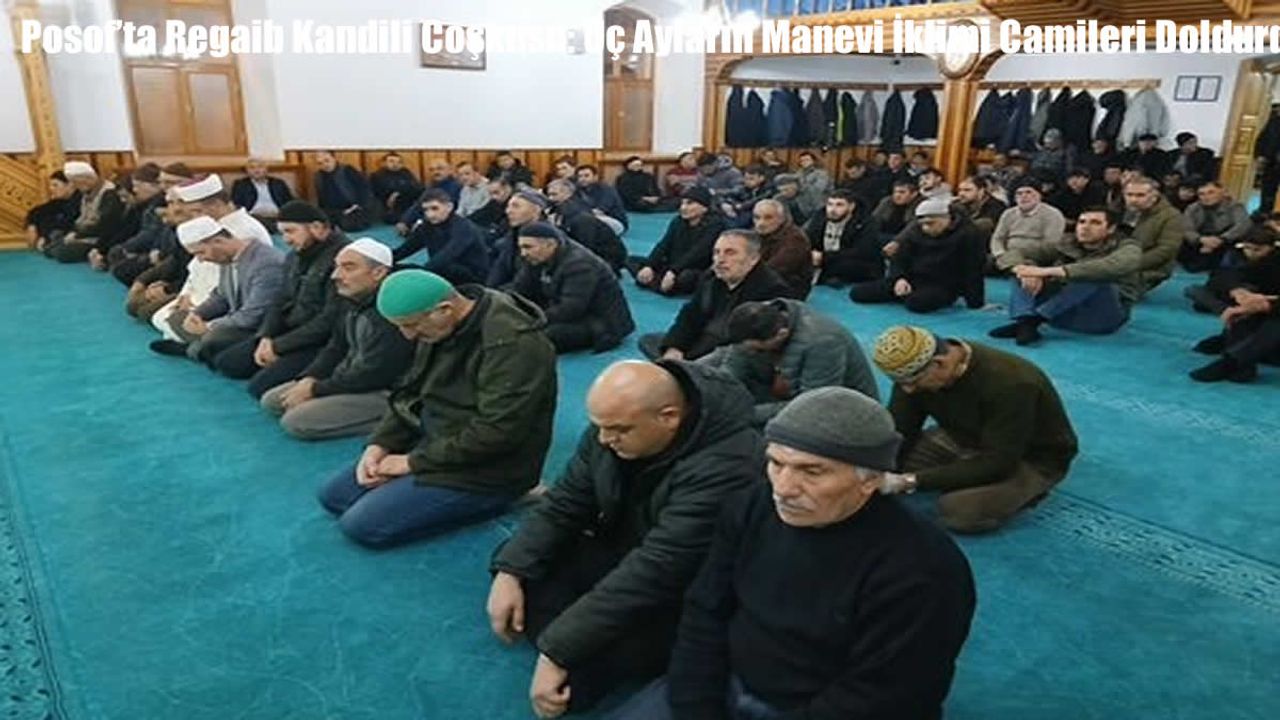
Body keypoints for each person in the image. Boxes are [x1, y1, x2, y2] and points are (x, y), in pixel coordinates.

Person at [608, 387, 976, 720]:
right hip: (728, 683)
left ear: (870, 480)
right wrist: (697, 707)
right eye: (776, 463)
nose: (783, 488)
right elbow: (705, 609)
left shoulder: (924, 571)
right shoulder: (752, 506)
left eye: (811, 471)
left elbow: (883, 696)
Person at [487, 359, 762, 717]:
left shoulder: (730, 465)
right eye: (599, 426)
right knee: (517, 560)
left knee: (577, 685)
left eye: (618, 429)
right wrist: (511, 571)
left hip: (687, 586)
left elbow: (656, 570)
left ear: (669, 417)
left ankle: (581, 646)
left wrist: (557, 650)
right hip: (628, 548)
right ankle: (580, 641)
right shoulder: (612, 431)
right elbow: (565, 503)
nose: (603, 439)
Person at [316, 270, 557, 547]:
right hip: (441, 441)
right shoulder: (441, 326)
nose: (408, 336)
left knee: (361, 526)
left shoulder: (514, 345)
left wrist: (411, 463)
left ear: (444, 309)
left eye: (411, 325)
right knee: (334, 497)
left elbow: (499, 433)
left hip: (492, 467)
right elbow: (411, 391)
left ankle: (511, 496)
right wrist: (380, 444)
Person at [872, 325, 1079, 533]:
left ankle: (1030, 488)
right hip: (961, 436)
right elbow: (900, 430)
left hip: (1029, 456)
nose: (908, 390)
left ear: (939, 363)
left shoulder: (1011, 383)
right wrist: (878, 468)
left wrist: (910, 481)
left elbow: (998, 462)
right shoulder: (914, 372)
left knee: (960, 511)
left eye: (913, 382)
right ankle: (966, 473)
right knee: (872, 469)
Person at [260, 239, 414, 440]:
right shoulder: (352, 299)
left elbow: (376, 374)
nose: (336, 276)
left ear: (378, 273)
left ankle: (400, 419)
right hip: (350, 378)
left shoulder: (390, 312)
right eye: (336, 267)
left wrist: (316, 389)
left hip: (385, 389)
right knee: (272, 401)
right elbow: (336, 346)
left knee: (295, 421)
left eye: (348, 268)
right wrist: (310, 378)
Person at [210, 200, 348, 397]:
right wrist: (266, 336)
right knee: (227, 362)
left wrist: (280, 346)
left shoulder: (343, 260)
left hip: (321, 341)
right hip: (291, 330)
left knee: (259, 387)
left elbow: (329, 320)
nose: (286, 239)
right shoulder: (295, 256)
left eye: (290, 231)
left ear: (317, 227)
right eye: (282, 233)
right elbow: (280, 300)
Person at [701, 299, 879, 425]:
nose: (750, 353)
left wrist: (744, 415)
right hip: (781, 390)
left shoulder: (823, 342)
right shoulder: (757, 319)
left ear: (781, 335)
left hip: (837, 411)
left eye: (757, 350)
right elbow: (732, 367)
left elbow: (813, 406)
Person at [989, 207, 1142, 345]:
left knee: (1094, 276)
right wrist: (1023, 270)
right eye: (1082, 222)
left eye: (1095, 223)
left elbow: (1115, 266)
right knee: (1023, 270)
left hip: (1103, 318)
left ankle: (1031, 323)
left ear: (1111, 228)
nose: (1085, 227)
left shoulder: (1128, 247)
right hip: (1059, 314)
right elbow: (1015, 253)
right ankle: (1025, 321)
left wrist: (1047, 271)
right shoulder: (1066, 242)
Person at [149, 215, 286, 365]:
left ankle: (194, 349)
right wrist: (198, 313)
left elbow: (253, 315)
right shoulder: (229, 258)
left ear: (218, 241)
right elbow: (221, 295)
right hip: (238, 320)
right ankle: (202, 346)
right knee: (178, 318)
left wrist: (209, 327)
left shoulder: (266, 263)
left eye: (200, 253)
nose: (200, 260)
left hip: (262, 328)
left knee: (223, 352)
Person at [638, 230, 792, 361]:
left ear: (753, 259)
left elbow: (749, 344)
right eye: (716, 252)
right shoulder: (711, 278)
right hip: (702, 340)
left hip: (731, 356)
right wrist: (675, 348)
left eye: (730, 253)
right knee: (649, 340)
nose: (720, 260)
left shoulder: (772, 290)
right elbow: (690, 316)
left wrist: (695, 363)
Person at [511, 222, 635, 354]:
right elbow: (520, 289)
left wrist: (532, 320)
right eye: (521, 247)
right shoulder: (536, 257)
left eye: (528, 247)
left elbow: (571, 308)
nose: (523, 253)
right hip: (566, 309)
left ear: (550, 244)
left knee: (535, 338)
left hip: (600, 321)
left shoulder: (580, 264)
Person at [850, 198, 986, 313]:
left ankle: (908, 296)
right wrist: (899, 279)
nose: (925, 228)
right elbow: (899, 258)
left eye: (930, 223)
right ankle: (904, 293)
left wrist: (975, 303)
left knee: (917, 303)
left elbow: (973, 268)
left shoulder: (969, 233)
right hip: (912, 278)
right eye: (922, 224)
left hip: (944, 284)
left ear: (946, 218)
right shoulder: (915, 231)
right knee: (857, 293)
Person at [1188, 230, 1280, 382]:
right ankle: (1240, 356)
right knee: (1243, 305)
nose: (1251, 253)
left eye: (1257, 249)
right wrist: (1238, 292)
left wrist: (1266, 304)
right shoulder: (1265, 261)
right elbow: (1222, 276)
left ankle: (1233, 360)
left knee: (1272, 319)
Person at [631, 186, 726, 297]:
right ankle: (663, 285)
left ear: (704, 207)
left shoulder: (715, 225)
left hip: (694, 268)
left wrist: (673, 271)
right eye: (682, 203)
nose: (683, 208)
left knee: (686, 277)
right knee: (631, 261)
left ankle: (657, 284)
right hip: (670, 265)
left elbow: (698, 253)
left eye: (689, 203)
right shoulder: (678, 221)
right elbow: (664, 244)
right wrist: (650, 266)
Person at [395, 189, 491, 285]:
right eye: (425, 210)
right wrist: (388, 262)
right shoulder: (426, 226)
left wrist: (421, 275)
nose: (430, 215)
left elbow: (446, 256)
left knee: (443, 268)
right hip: (441, 269)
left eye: (435, 208)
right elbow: (405, 249)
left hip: (471, 277)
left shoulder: (464, 228)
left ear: (449, 207)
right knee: (398, 269)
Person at [41, 161, 125, 263]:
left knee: (61, 252)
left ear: (88, 178)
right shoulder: (86, 192)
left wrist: (78, 235)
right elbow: (80, 218)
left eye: (77, 182)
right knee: (49, 247)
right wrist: (72, 232)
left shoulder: (109, 193)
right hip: (83, 234)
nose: (76, 186)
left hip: (98, 237)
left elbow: (104, 224)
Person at [1185, 226, 1280, 315]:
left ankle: (1232, 310)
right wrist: (1234, 289)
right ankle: (1229, 310)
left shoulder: (1275, 259)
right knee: (1193, 289)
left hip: (1260, 294)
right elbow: (1219, 275)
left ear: (1271, 247)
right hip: (1234, 292)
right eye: (1247, 248)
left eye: (1257, 250)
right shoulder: (1235, 253)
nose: (1250, 253)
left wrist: (1251, 295)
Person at [804, 188, 884, 287]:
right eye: (830, 204)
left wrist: (824, 257)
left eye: (839, 205)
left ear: (851, 207)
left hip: (856, 262)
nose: (832, 210)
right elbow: (807, 238)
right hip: (824, 259)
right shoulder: (819, 217)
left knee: (847, 265)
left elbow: (862, 252)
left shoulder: (865, 222)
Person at [545, 179, 627, 273]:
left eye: (554, 194)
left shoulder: (578, 213)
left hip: (606, 258)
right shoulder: (561, 208)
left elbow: (585, 244)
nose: (550, 198)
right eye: (549, 195)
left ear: (568, 193)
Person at [989, 178, 1067, 274]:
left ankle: (1016, 268)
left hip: (1038, 256)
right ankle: (1021, 270)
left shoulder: (1053, 214)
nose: (1023, 196)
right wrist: (1000, 254)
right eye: (1019, 193)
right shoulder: (1008, 213)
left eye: (1028, 192)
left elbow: (1051, 245)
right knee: (981, 260)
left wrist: (1020, 252)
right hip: (1007, 255)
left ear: (1039, 195)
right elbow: (997, 238)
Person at [102, 165, 167, 278]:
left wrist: (126, 248)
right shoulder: (148, 205)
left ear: (153, 185)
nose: (135, 190)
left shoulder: (159, 205)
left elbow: (151, 233)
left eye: (137, 185)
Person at [1123, 176, 1185, 293]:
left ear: (1154, 196)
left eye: (1140, 195)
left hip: (1148, 270)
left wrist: (1128, 264)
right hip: (1118, 262)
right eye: (1129, 195)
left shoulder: (1171, 216)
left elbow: (1166, 250)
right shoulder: (1120, 210)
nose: (1133, 199)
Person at [1178, 181, 1250, 274]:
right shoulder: (1193, 208)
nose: (1206, 197)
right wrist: (1200, 239)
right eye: (1201, 194)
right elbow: (1186, 228)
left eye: (1211, 192)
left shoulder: (1235, 206)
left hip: (1225, 239)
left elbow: (1243, 225)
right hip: (1200, 240)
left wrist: (1221, 239)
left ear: (1222, 192)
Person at [751, 199, 813, 300]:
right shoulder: (757, 233)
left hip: (788, 288)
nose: (761, 223)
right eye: (757, 217)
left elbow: (774, 269)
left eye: (768, 218)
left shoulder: (795, 239)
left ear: (781, 219)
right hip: (764, 281)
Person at [488, 189, 549, 288]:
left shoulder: (546, 240)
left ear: (536, 210)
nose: (508, 211)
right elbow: (499, 271)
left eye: (516, 206)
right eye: (508, 206)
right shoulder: (512, 235)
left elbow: (526, 282)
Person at [230, 157, 294, 233]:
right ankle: (276, 229)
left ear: (266, 169)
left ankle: (274, 228)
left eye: (260, 167)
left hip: (277, 216)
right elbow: (236, 204)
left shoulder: (278, 183)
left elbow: (290, 201)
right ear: (247, 171)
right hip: (254, 218)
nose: (256, 170)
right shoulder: (241, 185)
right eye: (252, 168)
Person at [314, 151, 373, 232]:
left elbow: (364, 190)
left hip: (354, 208)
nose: (325, 165)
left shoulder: (347, 170)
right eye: (320, 163)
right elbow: (321, 200)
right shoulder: (318, 176)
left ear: (334, 159)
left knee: (349, 225)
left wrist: (358, 206)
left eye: (327, 160)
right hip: (335, 211)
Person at [24, 171, 79, 251]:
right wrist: (32, 224)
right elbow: (36, 212)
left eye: (55, 185)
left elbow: (67, 223)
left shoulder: (81, 200)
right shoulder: (58, 202)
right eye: (51, 185)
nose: (51, 188)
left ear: (70, 185)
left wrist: (46, 237)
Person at [369, 152, 425, 224]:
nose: (395, 164)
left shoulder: (405, 172)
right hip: (390, 206)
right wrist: (398, 193)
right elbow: (381, 192)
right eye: (391, 161)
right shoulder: (377, 176)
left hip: (408, 200)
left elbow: (416, 186)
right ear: (384, 163)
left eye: (399, 162)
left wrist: (398, 193)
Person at [575, 164, 628, 234]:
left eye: (586, 176)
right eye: (580, 176)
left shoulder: (606, 190)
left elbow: (600, 211)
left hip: (613, 221)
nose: (583, 179)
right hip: (591, 219)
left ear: (595, 177)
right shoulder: (578, 190)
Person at [719, 164, 774, 229]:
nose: (747, 181)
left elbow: (756, 201)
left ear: (761, 178)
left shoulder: (769, 189)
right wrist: (724, 204)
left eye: (751, 179)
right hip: (739, 214)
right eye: (746, 178)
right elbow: (729, 194)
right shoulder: (744, 188)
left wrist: (740, 206)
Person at [871, 180, 921, 245]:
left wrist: (897, 241)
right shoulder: (887, 202)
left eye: (902, 192)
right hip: (883, 235)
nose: (897, 195)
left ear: (914, 194)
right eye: (895, 192)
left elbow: (913, 227)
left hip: (907, 239)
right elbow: (874, 219)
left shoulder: (919, 205)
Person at [469, 177, 515, 243]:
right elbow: (479, 214)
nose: (493, 197)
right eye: (490, 194)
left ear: (508, 189)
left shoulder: (515, 204)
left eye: (496, 192)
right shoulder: (494, 202)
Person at [794, 150, 831, 220]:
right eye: (802, 161)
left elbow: (818, 189)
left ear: (813, 161)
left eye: (807, 160)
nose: (804, 162)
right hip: (801, 205)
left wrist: (800, 187)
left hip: (818, 204)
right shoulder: (798, 174)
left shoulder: (822, 174)